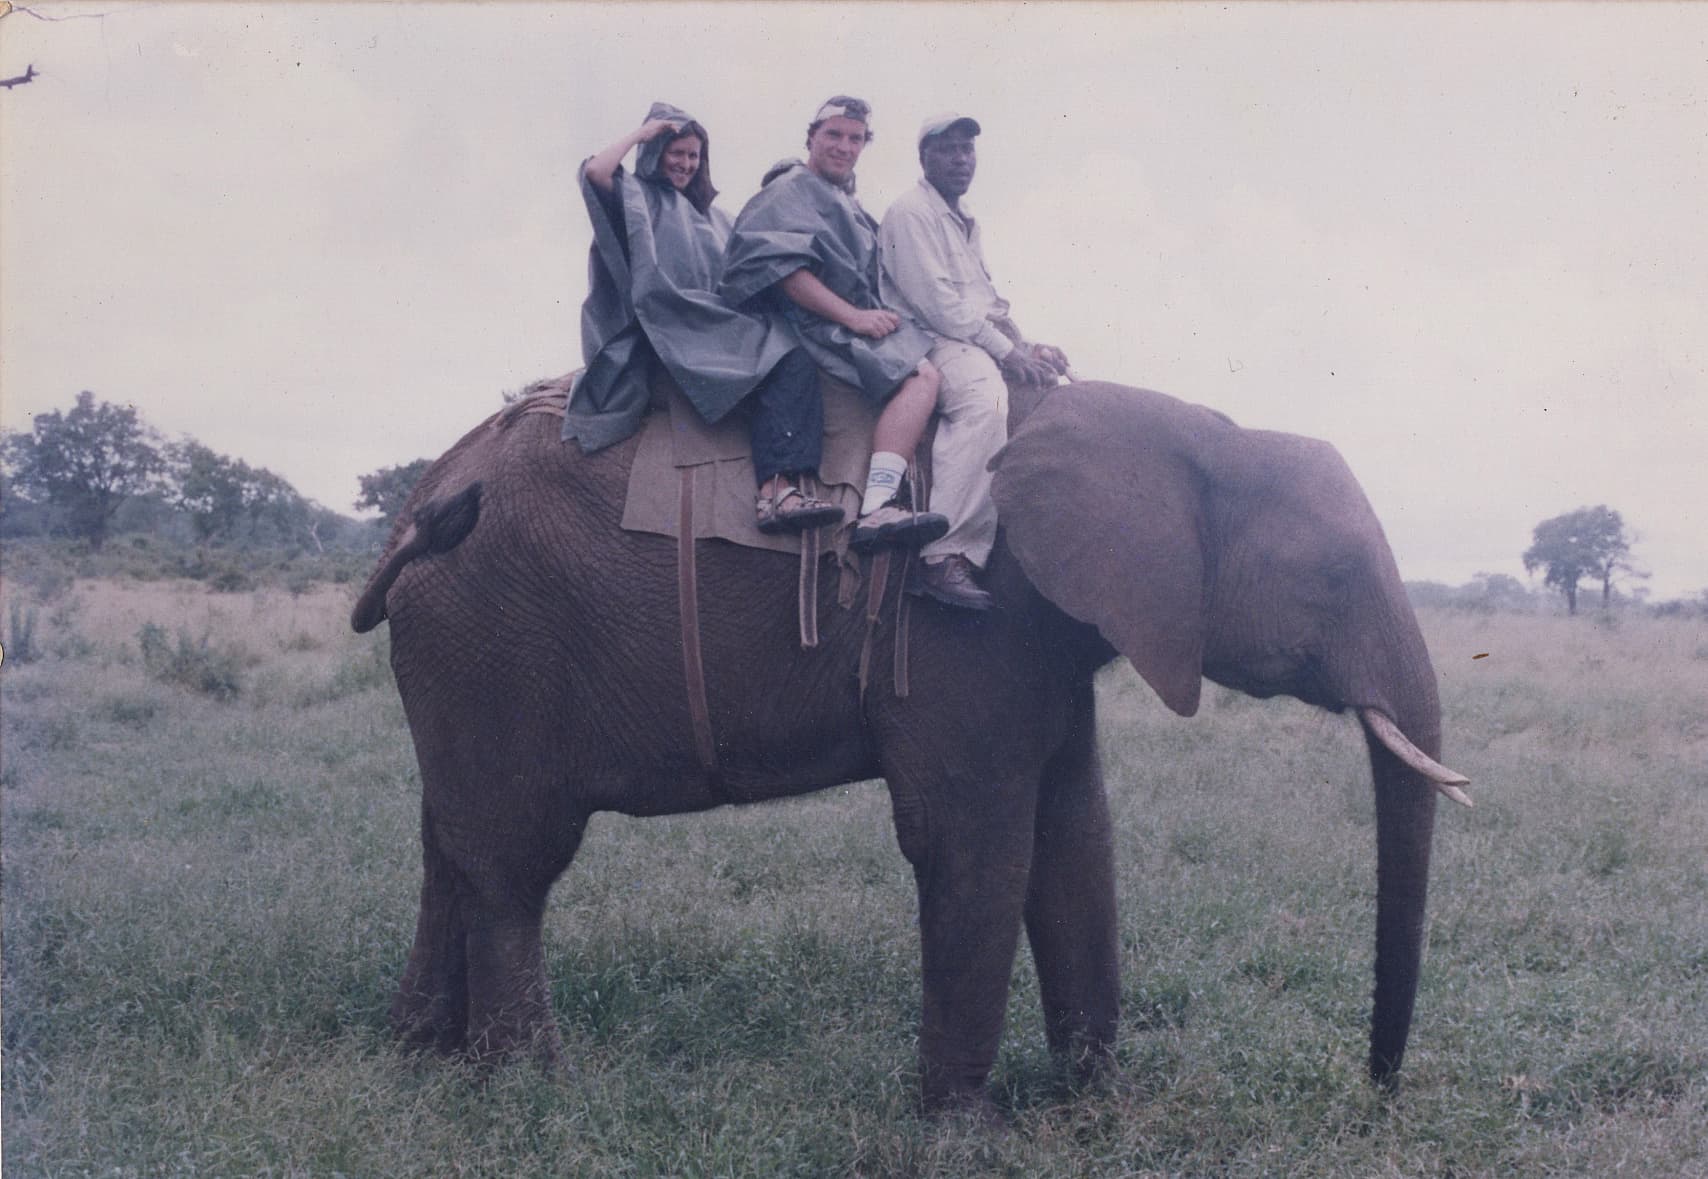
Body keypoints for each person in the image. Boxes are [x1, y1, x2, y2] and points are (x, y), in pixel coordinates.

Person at [565, 102, 843, 534]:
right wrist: (641, 134)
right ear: (655, 151)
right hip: (674, 326)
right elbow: (597, 173)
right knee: (790, 359)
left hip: (711, 323)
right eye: (676, 152)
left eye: (694, 155)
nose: (685, 163)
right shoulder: (635, 196)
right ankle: (776, 489)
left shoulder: (715, 216)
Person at [719, 97, 949, 553]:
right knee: (924, 377)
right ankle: (878, 506)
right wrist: (855, 318)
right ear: (811, 138)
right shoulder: (788, 191)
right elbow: (783, 273)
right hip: (814, 326)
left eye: (855, 138)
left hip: (844, 320)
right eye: (834, 135)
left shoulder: (843, 199)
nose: (844, 147)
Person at [878, 113, 1072, 610]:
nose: (961, 159)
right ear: (924, 158)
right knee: (985, 402)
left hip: (965, 335)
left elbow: (983, 302)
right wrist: (1005, 352)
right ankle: (944, 553)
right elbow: (937, 304)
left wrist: (1025, 346)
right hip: (928, 339)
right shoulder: (910, 212)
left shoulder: (965, 221)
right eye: (948, 150)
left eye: (967, 149)